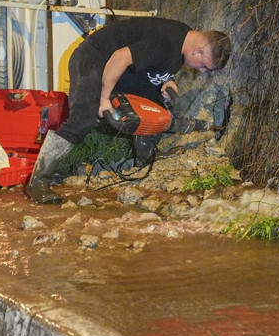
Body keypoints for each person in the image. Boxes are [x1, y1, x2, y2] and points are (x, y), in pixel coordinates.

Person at [25, 16, 231, 204]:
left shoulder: (184, 39)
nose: (201, 71)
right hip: (94, 59)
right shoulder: (167, 42)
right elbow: (120, 57)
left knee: (156, 110)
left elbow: (157, 65)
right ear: (198, 51)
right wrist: (104, 98)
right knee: (84, 118)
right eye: (204, 66)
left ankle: (143, 160)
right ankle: (38, 182)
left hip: (120, 72)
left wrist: (168, 82)